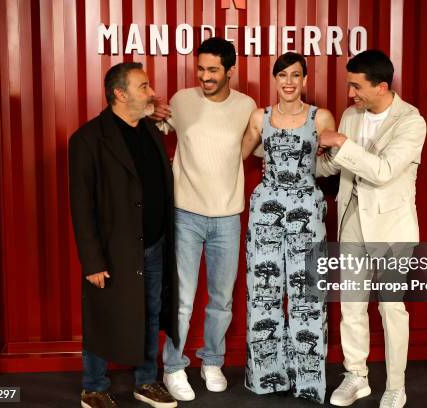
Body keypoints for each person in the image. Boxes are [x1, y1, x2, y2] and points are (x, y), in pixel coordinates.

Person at [316, 50, 427, 408]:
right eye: (350, 85)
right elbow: (337, 168)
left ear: (381, 86)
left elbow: (382, 171)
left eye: (356, 86)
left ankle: (396, 386)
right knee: (351, 304)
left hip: (392, 228)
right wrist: (299, 157)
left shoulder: (411, 122)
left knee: (391, 308)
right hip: (351, 223)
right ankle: (356, 376)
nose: (350, 94)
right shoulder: (351, 115)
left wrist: (341, 144)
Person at [150, 37, 257, 401]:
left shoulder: (247, 106)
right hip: (185, 214)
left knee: (221, 299)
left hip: (227, 216)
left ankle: (212, 361)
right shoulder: (181, 100)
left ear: (230, 71)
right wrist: (151, 115)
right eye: (200, 68)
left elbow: (256, 143)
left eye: (213, 70)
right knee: (180, 299)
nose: (205, 76)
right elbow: (158, 130)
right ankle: (174, 367)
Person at [68, 62, 179, 408]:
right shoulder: (87, 139)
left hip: (155, 245)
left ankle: (146, 382)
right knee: (103, 314)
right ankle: (94, 387)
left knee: (149, 313)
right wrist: (92, 261)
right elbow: (81, 206)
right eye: (143, 86)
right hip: (113, 251)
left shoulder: (150, 131)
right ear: (119, 94)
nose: (151, 92)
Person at [240, 52, 336, 404]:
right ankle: (267, 378)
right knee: (263, 294)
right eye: (283, 75)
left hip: (307, 209)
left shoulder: (320, 116)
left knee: (308, 295)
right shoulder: (259, 117)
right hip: (265, 209)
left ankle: (307, 382)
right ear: (275, 79)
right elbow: (239, 155)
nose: (289, 82)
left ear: (306, 80)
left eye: (296, 75)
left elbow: (330, 159)